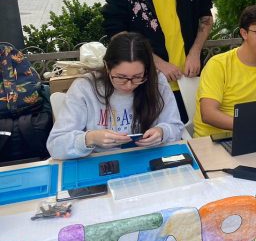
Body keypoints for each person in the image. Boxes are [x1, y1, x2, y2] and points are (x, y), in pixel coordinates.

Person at [46, 32, 184, 160]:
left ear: (147, 71)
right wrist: (90, 138)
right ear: (107, 67)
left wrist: (162, 132)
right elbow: (55, 144)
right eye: (120, 77)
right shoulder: (84, 88)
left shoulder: (156, 81)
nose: (128, 85)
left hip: (147, 158)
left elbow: (176, 127)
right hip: (99, 162)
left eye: (137, 77)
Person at [193, 5, 256, 137]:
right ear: (244, 33)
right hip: (217, 139)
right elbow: (208, 114)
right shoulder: (219, 64)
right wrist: (250, 126)